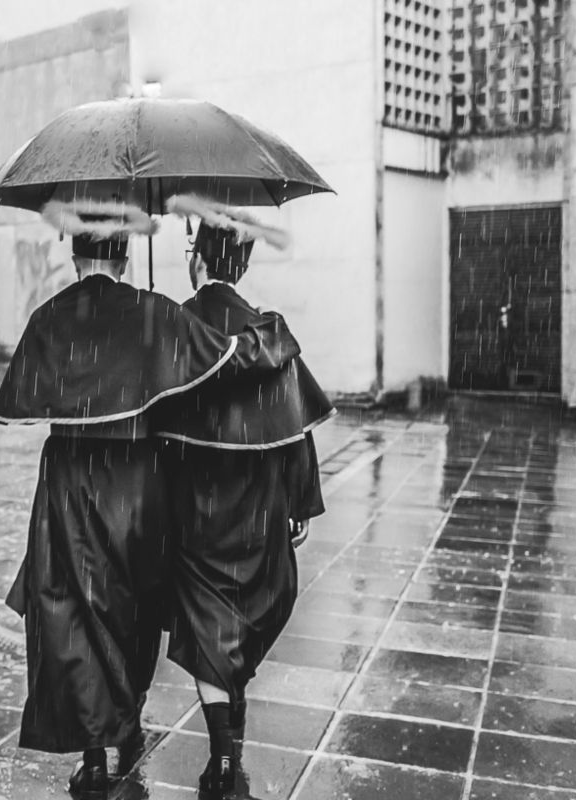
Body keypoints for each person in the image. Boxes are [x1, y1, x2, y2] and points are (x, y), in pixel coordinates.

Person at [0, 198, 302, 800]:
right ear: (128, 250)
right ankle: (128, 712)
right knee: (129, 608)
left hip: (67, 481)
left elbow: (26, 400)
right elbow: (227, 356)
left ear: (73, 250)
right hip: (136, 480)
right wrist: (272, 338)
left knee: (72, 612)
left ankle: (94, 758)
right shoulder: (154, 313)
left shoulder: (48, 319)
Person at [152, 195, 334, 794]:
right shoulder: (270, 335)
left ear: (195, 260)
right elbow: (296, 427)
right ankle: (229, 750)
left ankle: (223, 759)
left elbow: (148, 424)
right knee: (240, 625)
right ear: (243, 264)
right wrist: (299, 502)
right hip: (258, 509)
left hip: (194, 510)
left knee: (208, 632)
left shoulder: (172, 331)